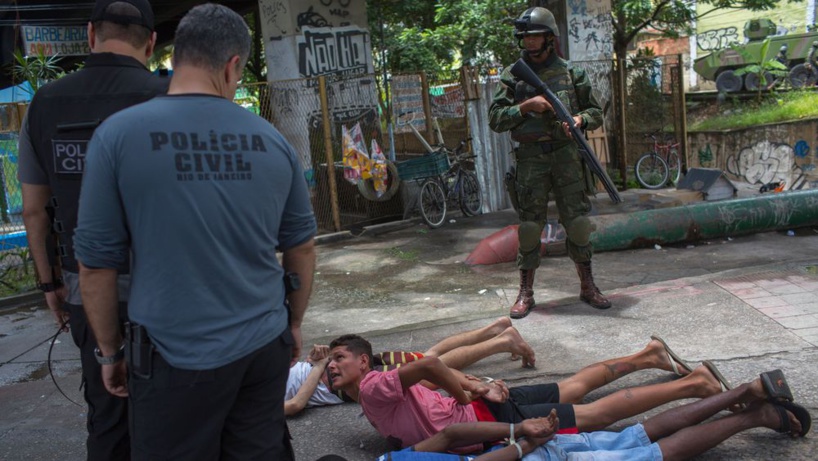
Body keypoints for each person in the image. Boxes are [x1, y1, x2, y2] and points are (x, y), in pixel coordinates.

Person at [73, 4, 317, 460]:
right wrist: (295, 321)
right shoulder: (272, 141)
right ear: (232, 66)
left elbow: (95, 265)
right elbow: (301, 246)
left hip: (170, 356)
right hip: (262, 345)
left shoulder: (117, 136)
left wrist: (109, 352)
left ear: (171, 52)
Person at [18, 1, 167, 459]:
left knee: (107, 413)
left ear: (89, 34)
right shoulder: (169, 98)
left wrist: (49, 283)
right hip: (167, 289)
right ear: (152, 41)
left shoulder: (45, 103)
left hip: (86, 287)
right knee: (169, 414)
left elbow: (33, 210)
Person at [327, 333, 732, 452]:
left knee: (596, 416)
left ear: (364, 362)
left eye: (339, 358)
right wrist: (479, 385)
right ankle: (649, 356)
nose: (331, 365)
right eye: (329, 361)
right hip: (490, 408)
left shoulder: (374, 387)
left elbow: (433, 366)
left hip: (490, 420)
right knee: (573, 387)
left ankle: (695, 383)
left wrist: (470, 395)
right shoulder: (381, 387)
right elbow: (437, 377)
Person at [366, 369, 811, 460]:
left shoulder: (373, 388)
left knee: (644, 448)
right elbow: (447, 436)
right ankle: (746, 392)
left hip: (516, 442)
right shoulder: (388, 458)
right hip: (509, 428)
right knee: (633, 432)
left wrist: (520, 438)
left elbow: (431, 366)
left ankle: (755, 414)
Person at [488, 7, 608, 318]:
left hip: (567, 156)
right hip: (530, 159)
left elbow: (596, 112)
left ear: (549, 38)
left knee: (579, 225)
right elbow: (496, 120)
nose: (528, 42)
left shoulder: (572, 72)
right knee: (529, 228)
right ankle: (526, 292)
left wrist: (580, 119)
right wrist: (526, 106)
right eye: (524, 37)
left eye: (534, 36)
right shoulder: (512, 75)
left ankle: (588, 286)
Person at [286, 318, 536, 416]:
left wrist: (318, 363)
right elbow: (294, 400)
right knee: (429, 357)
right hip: (340, 366)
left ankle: (502, 341)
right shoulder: (252, 389)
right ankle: (495, 332)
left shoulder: (249, 393)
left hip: (337, 375)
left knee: (429, 370)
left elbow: (296, 404)